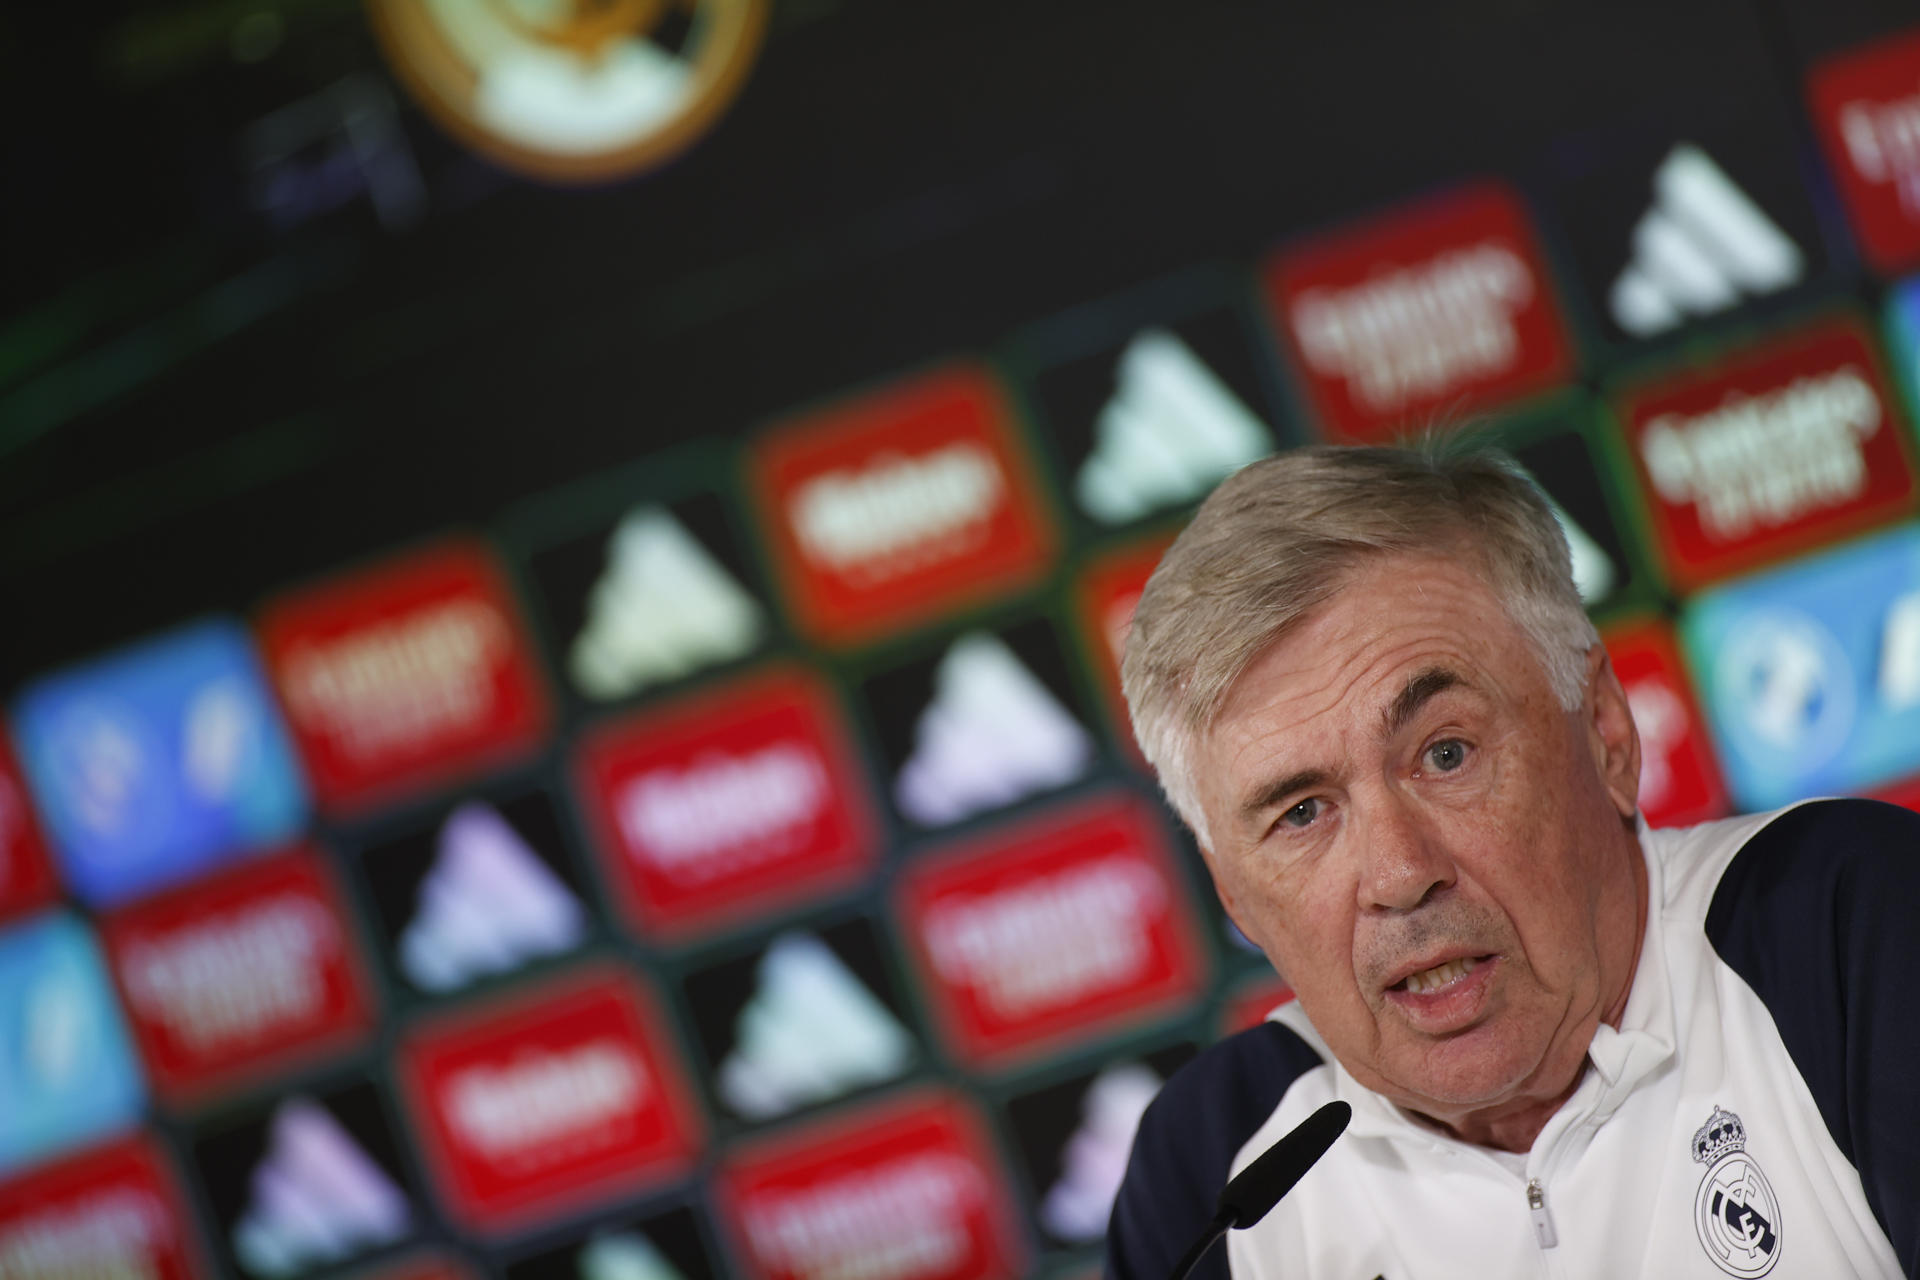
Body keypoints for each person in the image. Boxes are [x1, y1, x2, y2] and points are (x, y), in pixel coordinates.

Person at [1105, 443, 1918, 1279]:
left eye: (1446, 754)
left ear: (1604, 729)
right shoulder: (1214, 1171)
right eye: (1303, 813)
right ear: (1233, 895)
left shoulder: (1850, 935)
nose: (1398, 874)